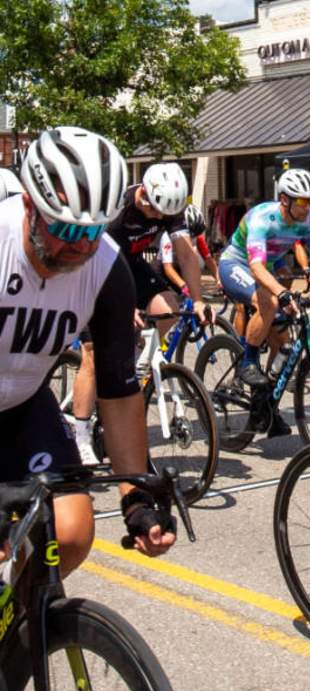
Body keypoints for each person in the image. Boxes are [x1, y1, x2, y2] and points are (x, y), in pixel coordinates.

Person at [0, 126, 176, 577]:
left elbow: (118, 391)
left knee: (71, 533)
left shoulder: (106, 267)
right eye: (64, 227)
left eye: (93, 229)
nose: (80, 245)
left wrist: (135, 495)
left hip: (22, 405)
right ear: (29, 206)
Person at [72, 162, 207, 464]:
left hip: (129, 265)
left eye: (165, 214)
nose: (159, 218)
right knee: (93, 355)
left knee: (169, 308)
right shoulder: (116, 210)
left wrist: (198, 300)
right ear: (144, 194)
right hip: (93, 269)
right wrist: (124, 305)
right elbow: (97, 261)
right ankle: (80, 436)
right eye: (156, 211)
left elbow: (186, 254)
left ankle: (129, 361)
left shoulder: (169, 208)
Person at [218, 168, 310, 395]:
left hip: (266, 268)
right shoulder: (262, 218)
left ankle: (264, 403)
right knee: (270, 302)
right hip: (236, 264)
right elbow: (256, 266)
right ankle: (248, 362)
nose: (308, 207)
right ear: (284, 199)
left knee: (284, 343)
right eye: (302, 201)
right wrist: (282, 293)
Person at [155, 203, 220, 295]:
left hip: (180, 267)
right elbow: (168, 268)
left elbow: (208, 259)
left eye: (195, 234)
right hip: (162, 269)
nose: (192, 238)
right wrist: (184, 286)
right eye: (190, 234)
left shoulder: (198, 237)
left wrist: (219, 280)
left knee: (189, 297)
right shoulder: (167, 237)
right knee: (168, 298)